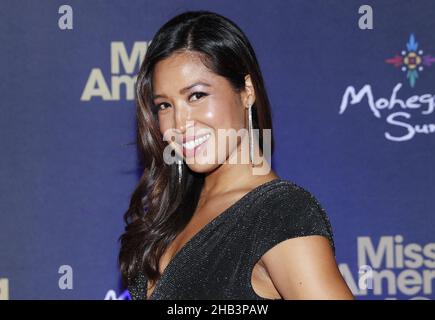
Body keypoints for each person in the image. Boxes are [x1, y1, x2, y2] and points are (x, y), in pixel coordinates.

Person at [119, 10, 354, 300]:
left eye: (197, 96)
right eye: (165, 105)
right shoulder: (174, 212)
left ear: (247, 91)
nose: (179, 124)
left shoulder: (280, 214)